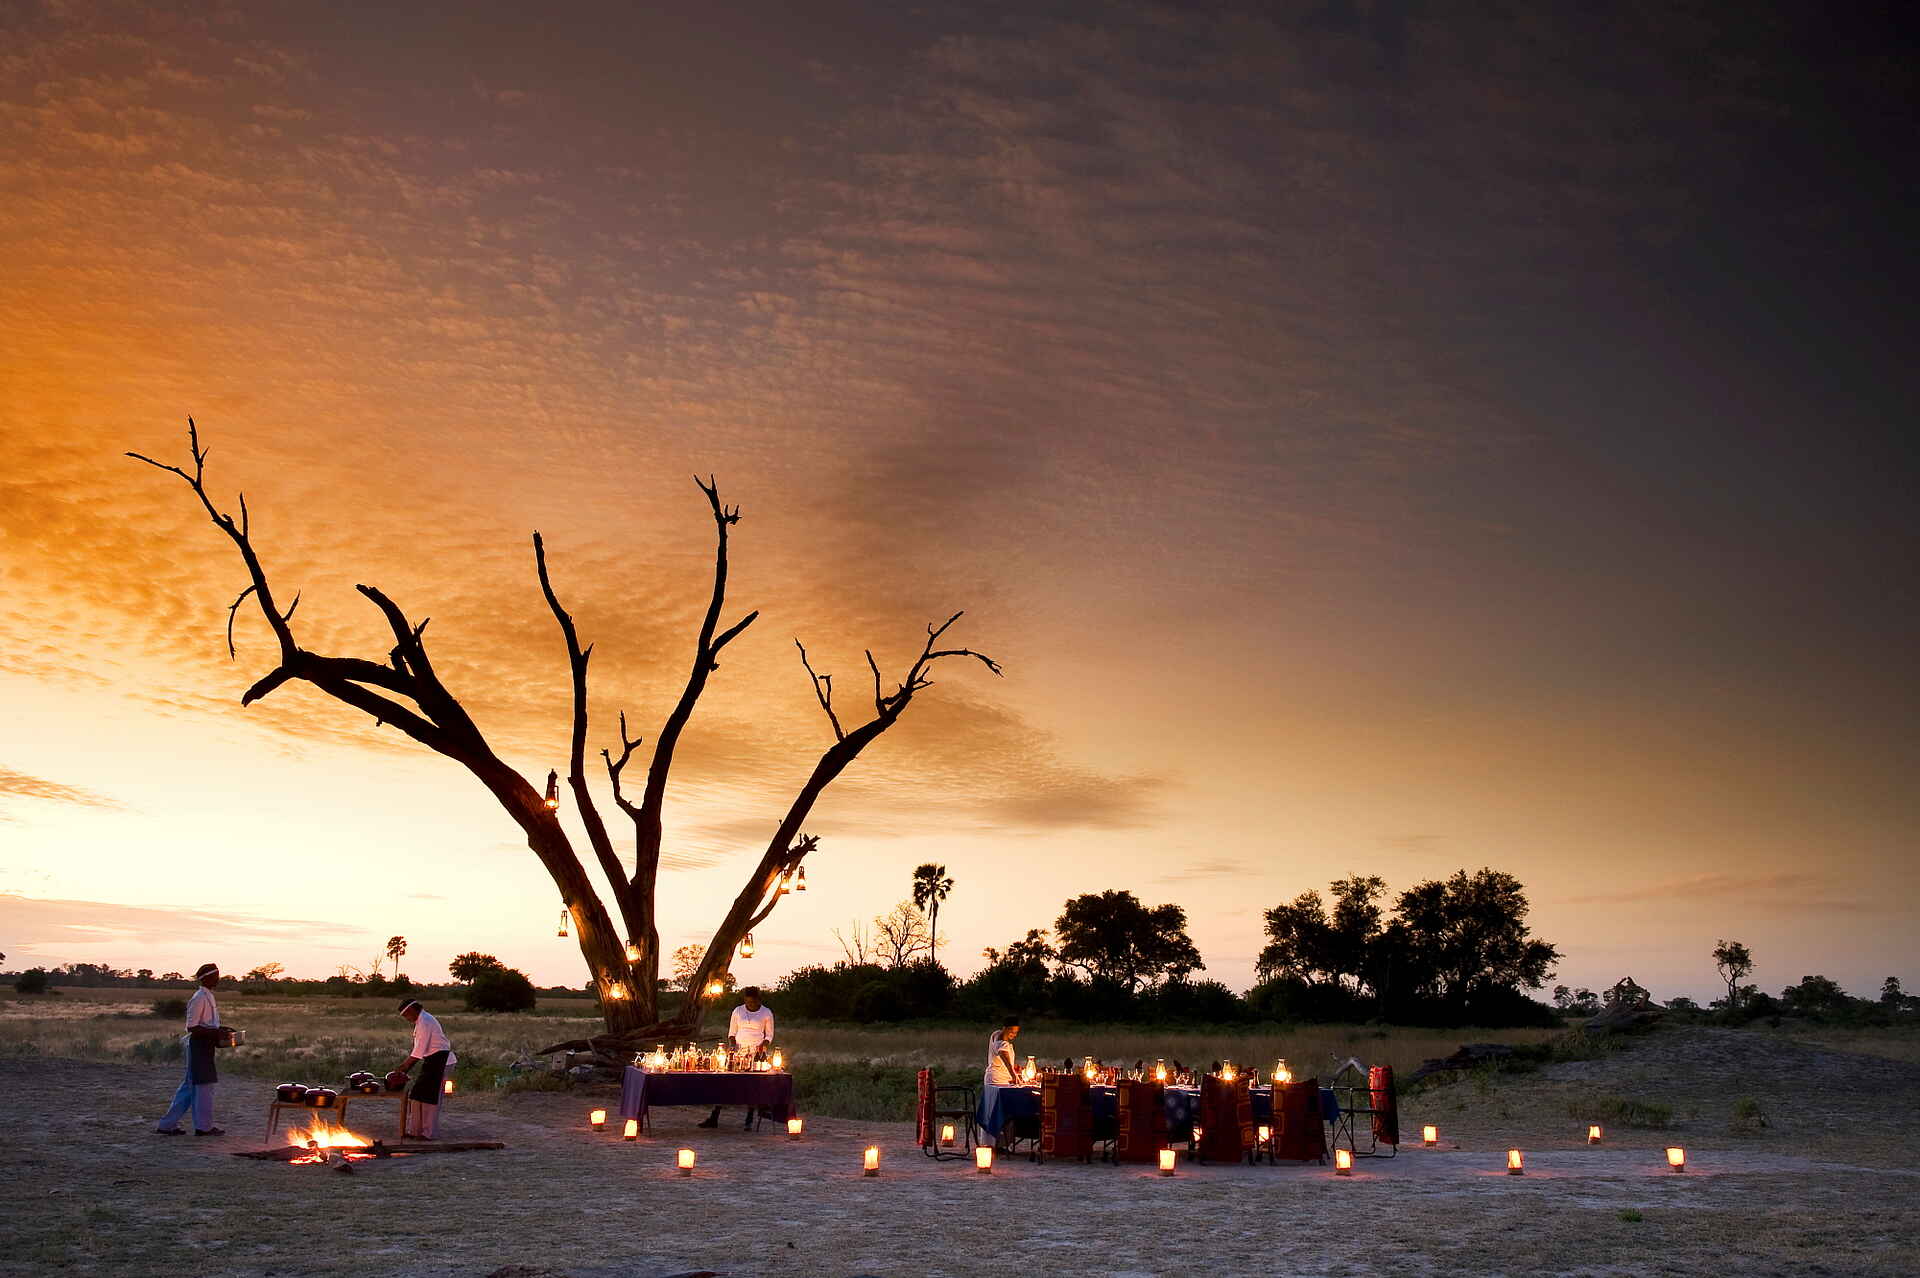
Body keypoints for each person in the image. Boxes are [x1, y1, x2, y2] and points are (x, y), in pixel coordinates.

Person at [155, 963, 224, 1136]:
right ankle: (203, 1127)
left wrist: (221, 1030)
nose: (218, 979)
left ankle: (167, 1125)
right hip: (198, 1045)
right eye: (216, 976)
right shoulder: (199, 997)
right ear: (207, 978)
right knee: (202, 1086)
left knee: (191, 1086)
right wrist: (216, 1032)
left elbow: (206, 1023)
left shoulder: (208, 995)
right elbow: (192, 1027)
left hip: (205, 1045)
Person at [698, 986, 774, 1129]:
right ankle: (715, 1116)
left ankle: (749, 1118)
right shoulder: (738, 1011)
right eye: (747, 1002)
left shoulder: (766, 1013)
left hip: (755, 1054)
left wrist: (763, 1045)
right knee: (725, 1082)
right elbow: (732, 1033)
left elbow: (769, 1035)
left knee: (751, 1085)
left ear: (758, 1000)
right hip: (737, 1052)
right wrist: (732, 1046)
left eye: (752, 1002)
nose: (749, 1005)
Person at [393, 999, 456, 1139]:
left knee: (430, 1098)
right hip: (432, 1060)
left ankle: (428, 1134)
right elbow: (419, 1050)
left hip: (441, 1061)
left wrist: (403, 1068)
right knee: (417, 1095)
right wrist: (404, 1069)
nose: (407, 1019)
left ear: (412, 1011)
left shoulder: (425, 1022)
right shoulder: (421, 1020)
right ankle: (416, 1131)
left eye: (406, 1016)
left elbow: (418, 1051)